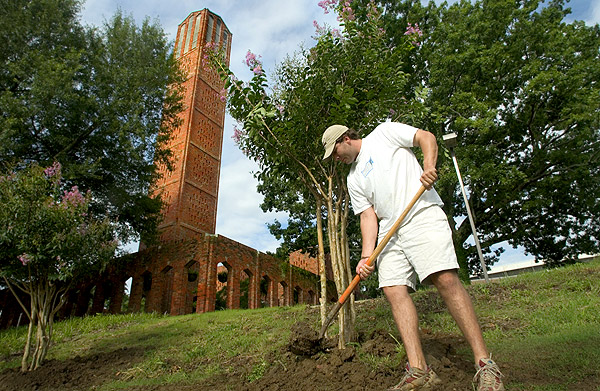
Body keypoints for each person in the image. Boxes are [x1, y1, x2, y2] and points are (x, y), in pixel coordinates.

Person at [322, 122, 505, 391]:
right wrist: (365, 256)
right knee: (393, 290)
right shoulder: (353, 177)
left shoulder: (383, 133)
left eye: (335, 152)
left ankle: (485, 364)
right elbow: (367, 216)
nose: (336, 159)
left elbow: (425, 137)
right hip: (389, 230)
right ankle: (419, 371)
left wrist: (429, 166)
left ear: (345, 138)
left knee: (445, 279)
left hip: (421, 212)